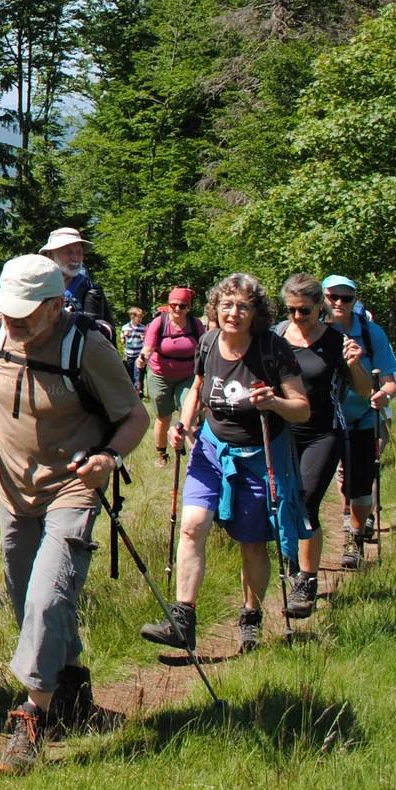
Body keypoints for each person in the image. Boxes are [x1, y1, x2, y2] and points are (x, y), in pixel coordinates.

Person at [0, 255, 148, 775]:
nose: (14, 320)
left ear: (56, 306)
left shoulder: (88, 347)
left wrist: (109, 458)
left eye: (26, 313)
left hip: (73, 486)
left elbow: (134, 416)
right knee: (26, 598)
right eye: (7, 310)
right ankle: (74, 699)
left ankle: (31, 716)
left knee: (50, 596)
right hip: (12, 488)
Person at [141, 273, 310, 657]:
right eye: (227, 304)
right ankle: (183, 619)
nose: (233, 312)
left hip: (258, 453)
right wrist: (183, 424)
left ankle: (251, 616)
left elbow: (302, 409)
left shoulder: (272, 347)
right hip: (211, 448)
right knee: (192, 525)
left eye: (243, 306)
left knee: (252, 545)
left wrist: (274, 403)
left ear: (256, 313)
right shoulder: (208, 341)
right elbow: (198, 388)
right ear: (216, 308)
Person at [276, 274, 375, 616]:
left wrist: (354, 363)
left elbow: (364, 390)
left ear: (320, 306)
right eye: (290, 310)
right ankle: (292, 562)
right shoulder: (275, 337)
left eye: (304, 310)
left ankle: (306, 581)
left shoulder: (337, 340)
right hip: (280, 432)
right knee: (280, 502)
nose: (297, 318)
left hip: (324, 432)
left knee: (305, 501)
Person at [321, 276, 396, 567]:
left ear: (355, 300)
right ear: (322, 297)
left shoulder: (371, 333)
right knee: (309, 487)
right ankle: (303, 558)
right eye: (332, 297)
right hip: (321, 423)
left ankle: (354, 538)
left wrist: (384, 396)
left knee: (361, 490)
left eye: (346, 298)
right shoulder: (310, 328)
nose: (339, 303)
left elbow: (390, 381)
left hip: (361, 420)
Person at [140, 288, 203, 467]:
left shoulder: (195, 324)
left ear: (188, 307)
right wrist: (142, 357)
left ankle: (196, 456)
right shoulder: (159, 323)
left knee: (189, 413)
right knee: (164, 416)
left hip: (188, 375)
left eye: (182, 306)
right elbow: (148, 347)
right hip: (161, 375)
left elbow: (205, 346)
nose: (177, 309)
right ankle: (161, 453)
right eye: (173, 305)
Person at [40, 227, 111, 337]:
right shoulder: (38, 287)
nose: (75, 258)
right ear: (51, 255)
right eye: (69, 252)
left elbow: (108, 331)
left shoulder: (89, 290)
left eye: (79, 252)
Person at [120, 307, 147, 392]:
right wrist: (124, 336)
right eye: (139, 317)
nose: (141, 319)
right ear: (132, 316)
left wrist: (144, 338)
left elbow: (147, 342)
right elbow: (122, 342)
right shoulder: (125, 327)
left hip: (138, 353)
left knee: (138, 372)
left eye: (141, 317)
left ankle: (138, 389)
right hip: (128, 354)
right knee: (129, 372)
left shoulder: (143, 328)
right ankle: (130, 389)